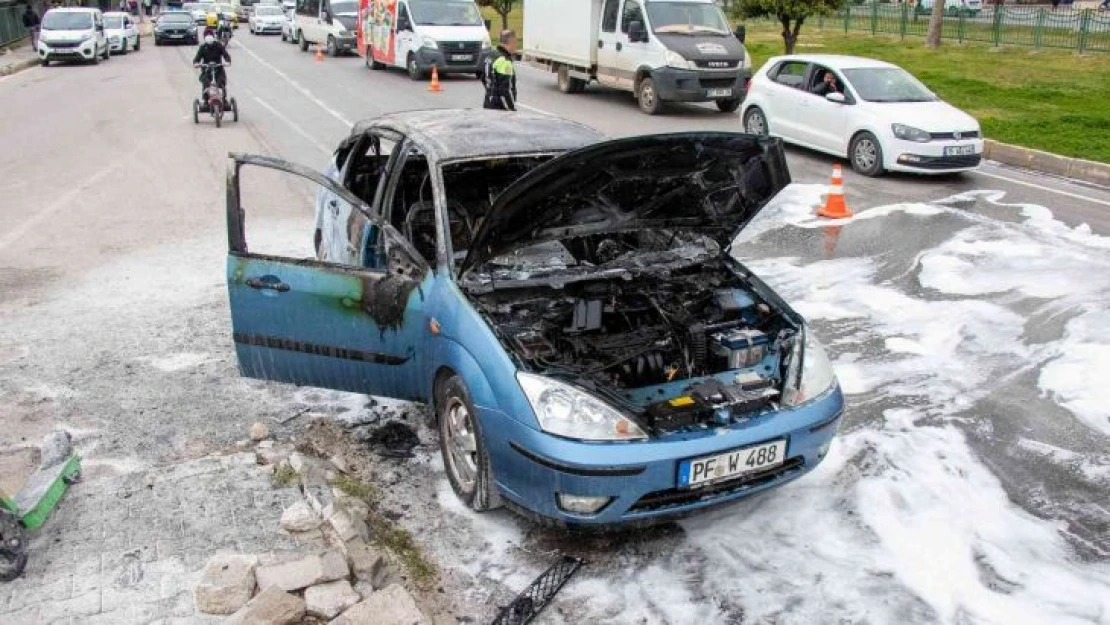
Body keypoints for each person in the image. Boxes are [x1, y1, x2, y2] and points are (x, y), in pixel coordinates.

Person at [482, 30, 518, 111]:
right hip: (499, 108)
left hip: (488, 102)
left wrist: (491, 92)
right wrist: (512, 109)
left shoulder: (491, 56)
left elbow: (484, 78)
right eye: (515, 43)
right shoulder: (504, 61)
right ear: (511, 42)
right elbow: (505, 90)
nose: (516, 46)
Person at [193, 34, 231, 106]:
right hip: (207, 70)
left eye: (211, 44)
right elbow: (197, 58)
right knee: (206, 83)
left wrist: (228, 61)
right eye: (208, 44)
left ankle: (223, 99)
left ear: (214, 41)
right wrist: (196, 63)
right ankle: (206, 101)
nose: (210, 45)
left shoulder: (218, 45)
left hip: (218, 69)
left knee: (221, 82)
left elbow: (225, 55)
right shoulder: (203, 47)